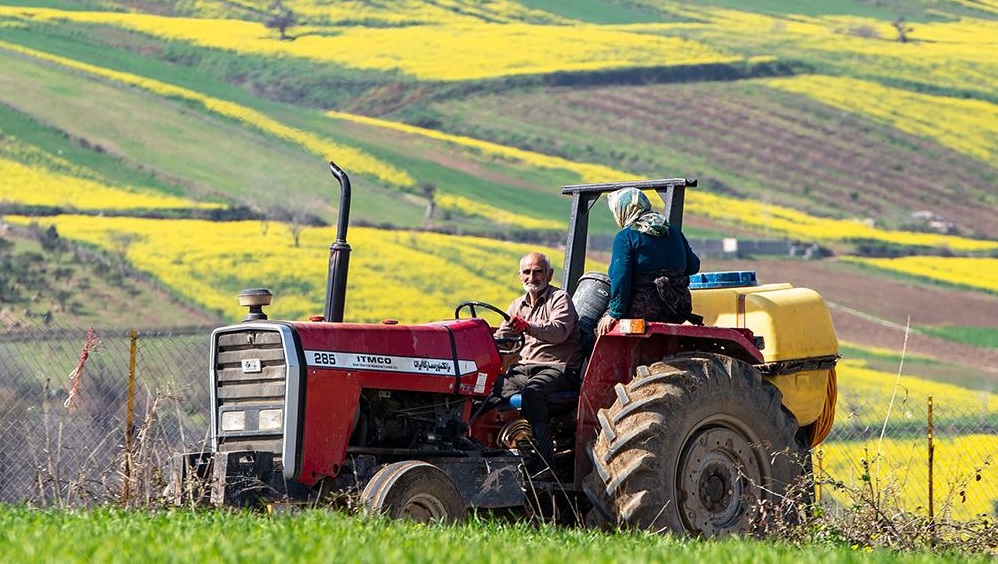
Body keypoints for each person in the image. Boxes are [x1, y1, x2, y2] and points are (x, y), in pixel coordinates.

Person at [496, 251, 582, 475]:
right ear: (520, 276)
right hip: (524, 369)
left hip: (558, 369)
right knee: (490, 389)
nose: (532, 277)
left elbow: (559, 332)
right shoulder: (517, 305)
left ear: (550, 274)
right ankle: (499, 448)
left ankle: (544, 463)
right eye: (527, 272)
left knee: (533, 393)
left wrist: (528, 327)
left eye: (538, 271)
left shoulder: (560, 299)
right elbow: (504, 338)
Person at [596, 187, 701, 336]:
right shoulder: (674, 232)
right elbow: (693, 266)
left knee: (594, 327)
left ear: (623, 211)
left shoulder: (626, 237)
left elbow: (621, 277)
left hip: (643, 310)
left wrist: (614, 313)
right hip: (678, 309)